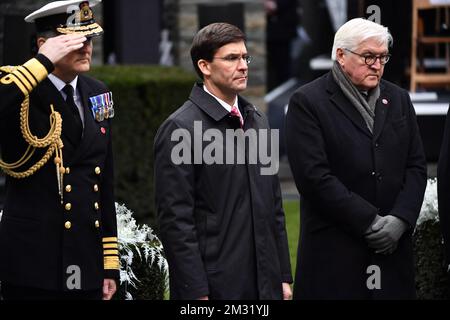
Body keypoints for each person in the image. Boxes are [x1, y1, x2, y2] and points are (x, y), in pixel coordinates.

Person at [285, 18, 427, 299]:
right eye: (368, 57)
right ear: (341, 55)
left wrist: (400, 220)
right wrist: (369, 222)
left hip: (393, 257)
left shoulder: (398, 99)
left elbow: (416, 166)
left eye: (382, 57)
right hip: (335, 256)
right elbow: (314, 178)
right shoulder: (308, 102)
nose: (377, 65)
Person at [154, 22, 293, 300]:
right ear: (204, 66)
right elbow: (176, 220)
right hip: (215, 287)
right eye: (232, 58)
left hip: (266, 283)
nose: (243, 66)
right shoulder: (180, 129)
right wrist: (195, 290)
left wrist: (283, 276)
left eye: (245, 57)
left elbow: (273, 206)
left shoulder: (258, 120)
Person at [0, 0, 119, 300]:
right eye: (73, 40)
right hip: (32, 263)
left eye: (88, 39)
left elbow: (104, 181)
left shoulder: (98, 92)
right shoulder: (22, 89)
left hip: (85, 258)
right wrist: (41, 64)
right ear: (44, 45)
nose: (85, 48)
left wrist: (109, 264)